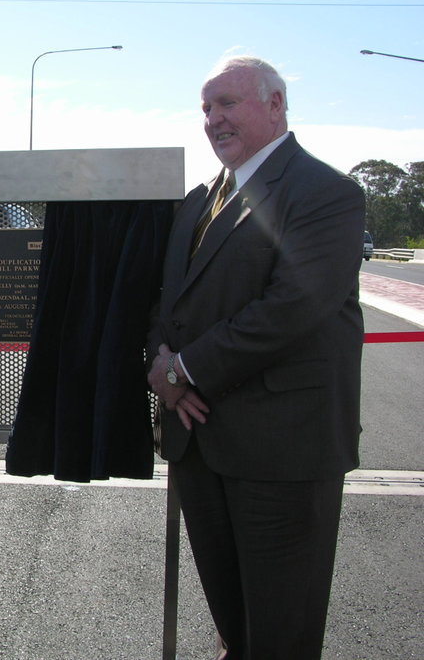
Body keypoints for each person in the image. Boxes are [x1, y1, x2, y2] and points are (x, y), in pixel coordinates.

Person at [147, 56, 365, 659]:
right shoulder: (198, 202)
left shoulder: (326, 194)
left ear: (275, 105)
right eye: (206, 109)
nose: (214, 119)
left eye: (227, 104)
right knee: (234, 628)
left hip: (283, 454)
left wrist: (183, 369)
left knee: (280, 635)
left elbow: (292, 308)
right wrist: (158, 365)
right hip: (200, 444)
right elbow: (167, 302)